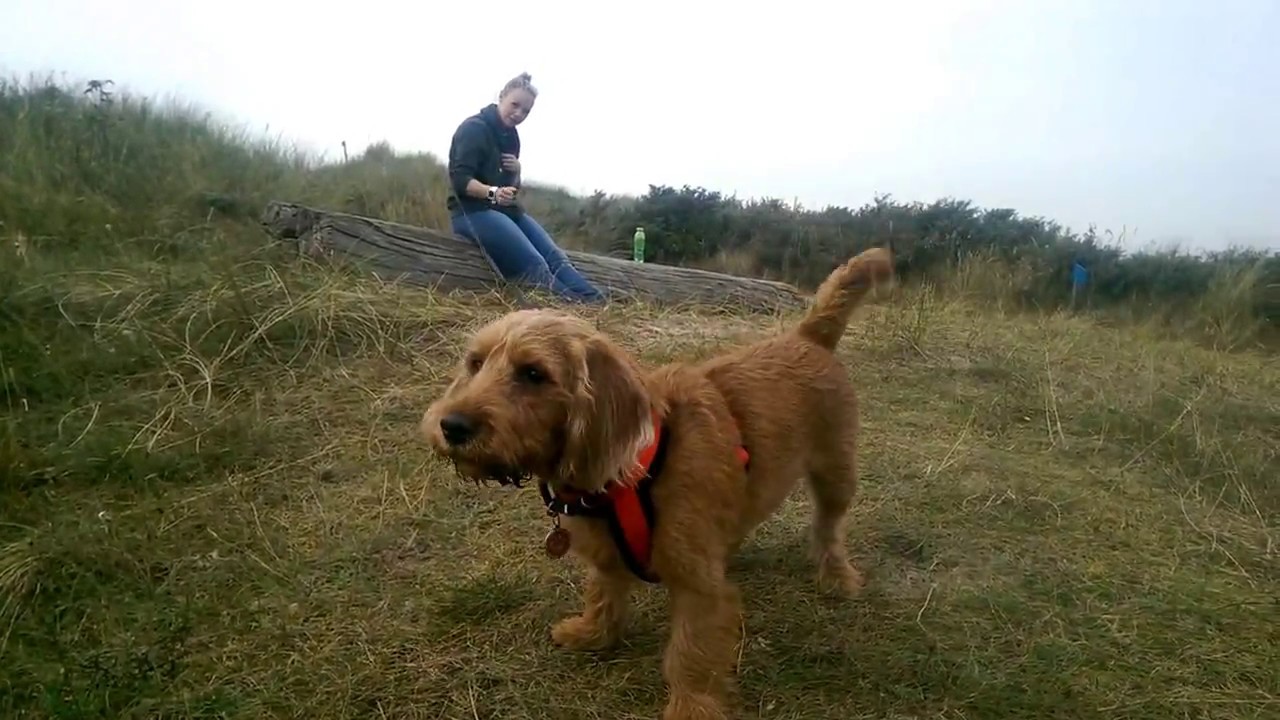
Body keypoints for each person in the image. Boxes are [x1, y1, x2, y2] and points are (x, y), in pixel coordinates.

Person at [446, 73, 605, 303]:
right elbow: (460, 181)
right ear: (501, 97)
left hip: (507, 211)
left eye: (526, 111)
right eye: (515, 105)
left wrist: (517, 172)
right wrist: (493, 192)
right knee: (535, 265)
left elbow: (512, 189)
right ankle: (574, 309)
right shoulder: (474, 129)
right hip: (472, 212)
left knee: (555, 258)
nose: (518, 114)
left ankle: (598, 303)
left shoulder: (511, 137)